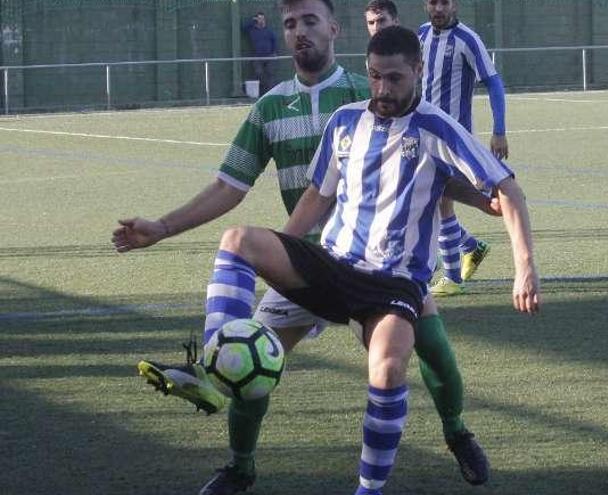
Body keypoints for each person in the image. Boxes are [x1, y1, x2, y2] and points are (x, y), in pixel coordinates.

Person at [113, 1, 493, 493]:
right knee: (248, 361)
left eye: (310, 21)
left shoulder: (374, 89)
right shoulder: (269, 107)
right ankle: (240, 465)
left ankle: (456, 432)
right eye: (290, 23)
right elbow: (229, 186)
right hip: (303, 262)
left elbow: (433, 168)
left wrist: (484, 199)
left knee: (435, 354)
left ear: (335, 29)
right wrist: (162, 227)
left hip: (380, 265)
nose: (299, 32)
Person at [194, 25, 539, 495]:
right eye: (375, 77)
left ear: (417, 70)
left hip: (393, 283)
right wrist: (285, 256)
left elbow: (508, 188)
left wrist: (524, 268)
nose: (382, 89)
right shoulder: (345, 120)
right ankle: (234, 437)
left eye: (394, 78)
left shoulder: (437, 127)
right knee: (241, 266)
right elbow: (317, 195)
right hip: (332, 263)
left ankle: (412, 461)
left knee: (399, 364)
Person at [420, 0, 510, 297]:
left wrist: (499, 131)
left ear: (454, 5)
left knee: (440, 201)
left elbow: (494, 83)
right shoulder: (421, 35)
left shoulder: (467, 40)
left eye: (444, 2)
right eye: (433, 2)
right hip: (421, 135)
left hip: (452, 140)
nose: (438, 9)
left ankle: (452, 276)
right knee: (428, 202)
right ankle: (470, 247)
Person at [241, 11, 278, 96]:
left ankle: (271, 94)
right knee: (258, 73)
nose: (261, 21)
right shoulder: (252, 30)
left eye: (263, 19)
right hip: (257, 56)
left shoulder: (269, 30)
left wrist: (274, 52)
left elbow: (274, 41)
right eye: (259, 19)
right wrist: (252, 20)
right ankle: (261, 92)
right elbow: (242, 27)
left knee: (270, 74)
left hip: (269, 56)